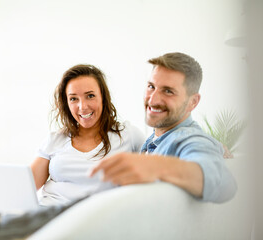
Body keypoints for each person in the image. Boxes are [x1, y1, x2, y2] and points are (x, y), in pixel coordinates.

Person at [0, 64, 145, 207]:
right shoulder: (56, 139)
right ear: (66, 103)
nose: (82, 106)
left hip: (94, 223)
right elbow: (24, 187)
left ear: (103, 97)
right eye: (73, 99)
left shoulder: (128, 136)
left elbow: (158, 173)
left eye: (90, 96)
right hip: (47, 216)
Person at [90, 52, 237, 203]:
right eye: (151, 86)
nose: (153, 99)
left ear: (193, 102)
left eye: (168, 91)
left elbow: (223, 183)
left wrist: (155, 165)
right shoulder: (158, 137)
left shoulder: (188, 139)